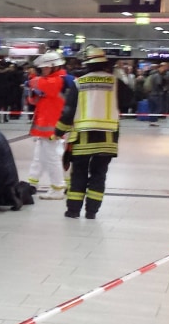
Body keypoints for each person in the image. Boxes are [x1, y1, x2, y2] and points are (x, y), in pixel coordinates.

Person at [54, 46, 132, 219]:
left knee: (79, 173)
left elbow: (68, 111)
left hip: (83, 137)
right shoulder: (115, 82)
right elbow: (130, 99)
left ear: (87, 65)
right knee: (99, 174)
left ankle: (73, 210)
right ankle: (92, 212)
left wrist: (58, 131)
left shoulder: (79, 83)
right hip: (108, 137)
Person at [26, 51, 71, 200]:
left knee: (51, 157)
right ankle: (32, 182)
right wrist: (33, 91)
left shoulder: (59, 80)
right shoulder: (50, 80)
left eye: (45, 68)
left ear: (54, 67)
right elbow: (33, 101)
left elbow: (39, 84)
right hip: (45, 125)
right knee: (40, 156)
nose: (43, 71)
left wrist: (32, 79)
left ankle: (58, 187)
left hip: (53, 126)